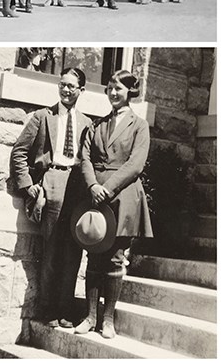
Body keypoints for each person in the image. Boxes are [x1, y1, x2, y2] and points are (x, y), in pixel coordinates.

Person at [74, 70, 152, 339]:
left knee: (116, 258)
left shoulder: (139, 125)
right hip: (95, 196)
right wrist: (93, 186)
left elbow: (136, 164)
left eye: (118, 88)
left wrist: (108, 187)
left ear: (130, 91)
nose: (113, 93)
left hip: (123, 197)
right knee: (93, 253)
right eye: (109, 88)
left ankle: (108, 320)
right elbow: (84, 158)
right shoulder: (97, 125)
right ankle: (90, 316)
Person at [10, 68, 91, 327]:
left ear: (81, 90)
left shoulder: (88, 123)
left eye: (71, 86)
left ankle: (66, 310)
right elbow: (19, 152)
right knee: (53, 249)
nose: (66, 90)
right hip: (53, 181)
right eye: (62, 84)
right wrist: (28, 185)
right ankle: (47, 309)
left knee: (73, 251)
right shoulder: (43, 117)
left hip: (77, 185)